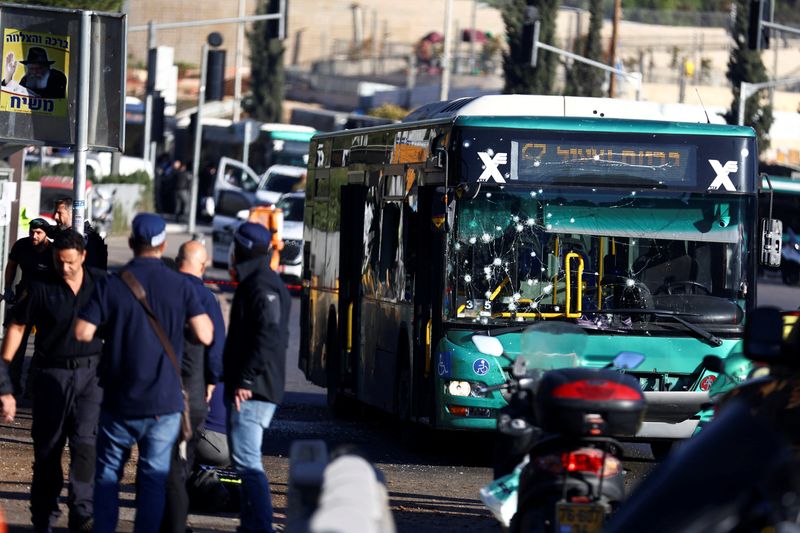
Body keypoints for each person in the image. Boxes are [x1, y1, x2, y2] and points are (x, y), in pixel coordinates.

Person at [74, 213, 214, 532]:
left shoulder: (112, 283)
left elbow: (82, 332)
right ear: (163, 244)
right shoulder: (180, 285)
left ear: (132, 243)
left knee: (108, 474)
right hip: (164, 403)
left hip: (119, 400)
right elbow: (206, 334)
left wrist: (113, 329)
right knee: (153, 478)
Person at [1, 230, 104, 532]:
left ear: (83, 256)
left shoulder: (101, 285)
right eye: (59, 262)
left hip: (91, 377)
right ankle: (43, 516)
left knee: (86, 446)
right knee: (48, 451)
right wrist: (4, 378)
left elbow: (121, 325)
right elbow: (18, 328)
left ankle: (82, 515)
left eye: (70, 262)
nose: (65, 268)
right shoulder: (41, 287)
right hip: (51, 376)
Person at [224, 222, 291, 533]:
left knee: (248, 464)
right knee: (245, 462)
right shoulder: (260, 280)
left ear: (243, 249)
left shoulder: (260, 285)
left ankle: (259, 526)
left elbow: (267, 335)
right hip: (254, 387)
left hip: (253, 390)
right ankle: (251, 524)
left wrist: (246, 380)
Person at [161, 240, 225, 533]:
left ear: (176, 261)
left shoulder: (163, 289)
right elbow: (215, 351)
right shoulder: (204, 297)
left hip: (157, 390)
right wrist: (211, 382)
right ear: (202, 265)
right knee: (180, 462)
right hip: (192, 395)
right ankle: (174, 522)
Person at [3, 218, 56, 396]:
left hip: (45, 302)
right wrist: (7, 287)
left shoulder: (53, 251)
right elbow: (11, 266)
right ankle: (13, 385)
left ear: (46, 234)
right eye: (32, 231)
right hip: (24, 299)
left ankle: (32, 387)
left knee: (41, 346)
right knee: (17, 345)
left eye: (39, 232)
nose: (34, 235)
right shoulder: (21, 246)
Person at [53, 197, 108, 271]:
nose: (55, 217)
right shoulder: (62, 232)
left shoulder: (88, 238)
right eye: (55, 213)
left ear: (72, 214)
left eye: (59, 213)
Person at [2, 47, 67, 99]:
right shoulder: (26, 79)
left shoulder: (58, 77)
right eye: (31, 69)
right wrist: (9, 77)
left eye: (38, 68)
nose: (34, 72)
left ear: (47, 67)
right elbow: (16, 95)